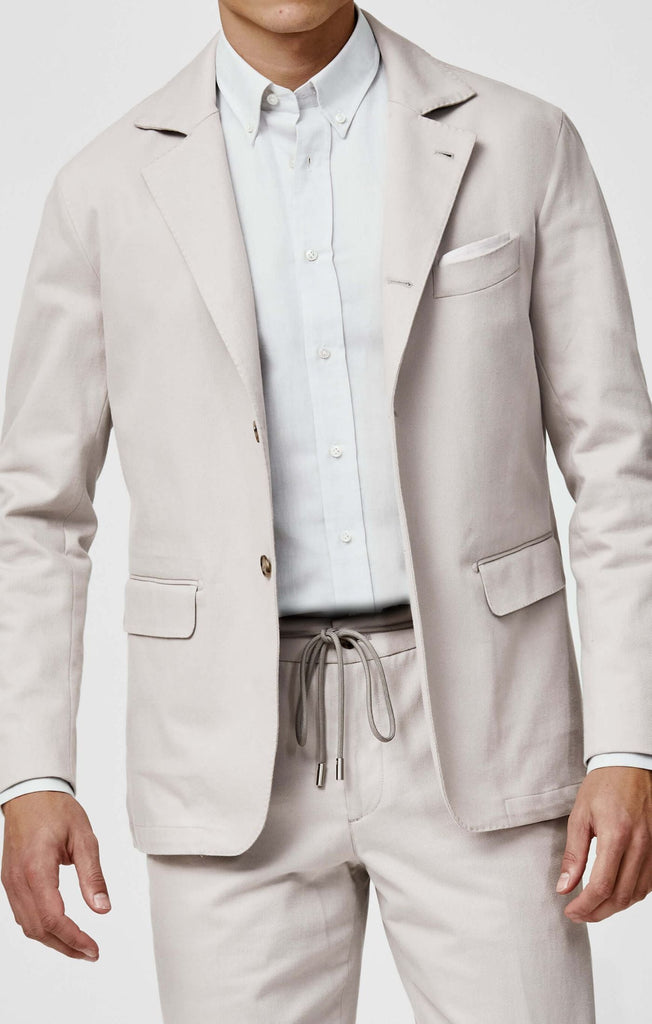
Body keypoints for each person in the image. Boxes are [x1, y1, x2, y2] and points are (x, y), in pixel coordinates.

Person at [1, 2, 651, 1020]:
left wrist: (627, 744)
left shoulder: (522, 141)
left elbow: (619, 467)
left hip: (483, 720)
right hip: (224, 749)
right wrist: (30, 770)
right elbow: (36, 511)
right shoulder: (104, 188)